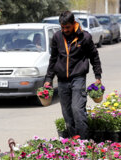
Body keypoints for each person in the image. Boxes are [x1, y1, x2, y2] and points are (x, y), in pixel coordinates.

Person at [44, 11, 102, 139]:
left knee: (77, 109)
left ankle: (84, 141)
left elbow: (94, 56)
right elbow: (53, 59)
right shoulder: (57, 37)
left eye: (67, 27)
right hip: (62, 80)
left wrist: (98, 76)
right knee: (66, 111)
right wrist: (48, 79)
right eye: (62, 27)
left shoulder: (84, 37)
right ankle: (73, 140)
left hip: (78, 78)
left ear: (73, 23)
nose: (65, 30)